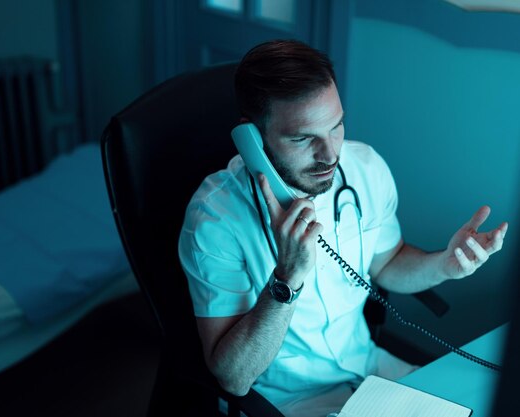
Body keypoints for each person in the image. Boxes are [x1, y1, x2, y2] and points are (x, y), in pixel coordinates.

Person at [178, 39, 508, 417]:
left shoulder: (365, 167)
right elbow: (234, 379)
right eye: (303, 139)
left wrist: (444, 265)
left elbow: (387, 263)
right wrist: (287, 278)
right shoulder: (214, 220)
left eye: (336, 127)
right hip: (287, 402)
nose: (330, 154)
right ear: (251, 137)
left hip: (372, 373)